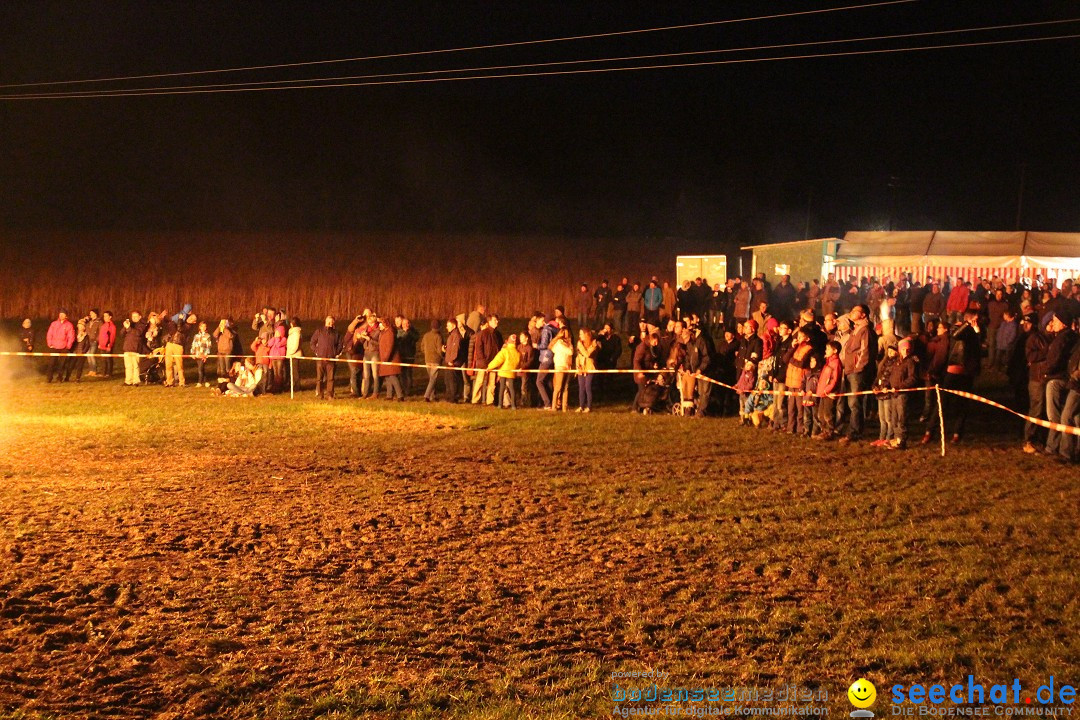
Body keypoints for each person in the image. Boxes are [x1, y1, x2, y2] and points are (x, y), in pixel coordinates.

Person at [1043, 312, 1078, 459]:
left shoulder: (1065, 338)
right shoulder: (1071, 339)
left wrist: (1046, 372)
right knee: (1075, 417)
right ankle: (1068, 450)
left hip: (1074, 384)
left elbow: (1057, 358)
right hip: (1072, 381)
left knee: (1064, 417)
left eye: (1055, 321)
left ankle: (1065, 452)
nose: (1053, 323)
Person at [838, 305, 874, 444]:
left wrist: (857, 368)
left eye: (855, 311)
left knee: (855, 402)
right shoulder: (856, 329)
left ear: (863, 315)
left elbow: (865, 351)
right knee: (852, 402)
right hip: (850, 369)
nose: (851, 313)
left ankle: (854, 432)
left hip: (856, 371)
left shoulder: (864, 330)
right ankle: (856, 429)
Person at [813, 341, 843, 440]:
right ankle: (823, 430)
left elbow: (834, 379)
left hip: (829, 393)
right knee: (820, 414)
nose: (826, 351)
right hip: (823, 392)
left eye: (828, 349)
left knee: (828, 414)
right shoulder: (828, 362)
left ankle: (829, 432)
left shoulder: (836, 363)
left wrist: (827, 390)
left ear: (835, 351)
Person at [471, 315, 502, 405]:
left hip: (493, 362)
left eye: (497, 320)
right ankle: (475, 400)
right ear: (489, 322)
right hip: (483, 363)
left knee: (492, 383)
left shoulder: (497, 334)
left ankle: (490, 401)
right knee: (480, 381)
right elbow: (479, 348)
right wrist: (483, 362)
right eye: (495, 320)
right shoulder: (482, 333)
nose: (497, 322)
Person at [310, 316, 342, 400]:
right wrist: (317, 351)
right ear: (325, 321)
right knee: (319, 378)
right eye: (329, 322)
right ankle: (320, 394)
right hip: (321, 358)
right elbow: (312, 342)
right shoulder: (319, 331)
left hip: (331, 359)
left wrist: (336, 352)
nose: (330, 324)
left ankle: (330, 395)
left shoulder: (336, 333)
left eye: (332, 322)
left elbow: (340, 344)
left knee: (330, 378)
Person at [487, 335, 521, 409]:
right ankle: (513, 405)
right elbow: (518, 363)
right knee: (512, 389)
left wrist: (489, 367)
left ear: (508, 341)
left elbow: (497, 360)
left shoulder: (505, 351)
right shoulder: (517, 353)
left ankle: (500, 405)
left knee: (502, 388)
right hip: (511, 372)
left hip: (503, 371)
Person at [45, 310, 75, 383]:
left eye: (63, 314)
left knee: (62, 364)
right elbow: (49, 334)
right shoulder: (54, 324)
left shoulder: (69, 325)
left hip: (64, 347)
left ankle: (59, 378)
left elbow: (71, 336)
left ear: (66, 316)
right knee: (51, 363)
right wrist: (50, 343)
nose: (61, 315)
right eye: (60, 314)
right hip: (54, 346)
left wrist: (68, 346)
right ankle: (49, 378)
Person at [378, 318, 404, 401]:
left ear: (385, 324)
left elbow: (389, 346)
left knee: (393, 376)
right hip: (385, 358)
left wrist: (386, 358)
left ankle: (400, 395)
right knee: (388, 377)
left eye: (381, 323)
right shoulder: (384, 332)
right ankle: (389, 395)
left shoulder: (390, 333)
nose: (379, 325)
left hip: (390, 359)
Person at [549, 327, 574, 411]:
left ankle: (564, 407)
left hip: (568, 366)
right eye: (564, 333)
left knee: (565, 387)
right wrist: (557, 338)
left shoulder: (569, 343)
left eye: (567, 332)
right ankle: (554, 406)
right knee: (558, 387)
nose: (566, 335)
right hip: (560, 366)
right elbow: (570, 352)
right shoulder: (559, 343)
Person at [575, 328, 599, 413]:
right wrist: (578, 365)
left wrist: (582, 346)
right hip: (581, 368)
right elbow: (580, 355)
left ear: (586, 335)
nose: (579, 336)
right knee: (581, 388)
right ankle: (581, 406)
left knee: (588, 387)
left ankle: (589, 406)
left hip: (590, 367)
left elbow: (587, 354)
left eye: (581, 334)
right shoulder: (580, 344)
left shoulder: (593, 344)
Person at [121, 311, 148, 386]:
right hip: (127, 347)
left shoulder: (142, 324)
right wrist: (125, 327)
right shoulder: (130, 324)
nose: (134, 318)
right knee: (128, 366)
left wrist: (129, 328)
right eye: (133, 316)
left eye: (136, 316)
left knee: (135, 366)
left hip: (135, 347)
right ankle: (128, 381)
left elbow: (138, 333)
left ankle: (136, 381)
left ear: (140, 317)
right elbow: (121, 334)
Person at [421, 319, 443, 402]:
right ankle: (427, 395)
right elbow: (439, 350)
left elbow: (422, 347)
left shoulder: (426, 335)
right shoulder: (438, 336)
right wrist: (442, 356)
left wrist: (426, 353)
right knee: (433, 379)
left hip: (427, 359)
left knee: (431, 378)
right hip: (435, 360)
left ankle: (432, 396)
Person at [442, 318, 463, 402]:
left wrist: (452, 360)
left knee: (452, 381)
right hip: (448, 361)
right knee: (447, 380)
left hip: (452, 363)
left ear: (453, 326)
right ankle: (449, 396)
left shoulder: (456, 336)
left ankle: (453, 398)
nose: (447, 327)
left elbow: (455, 349)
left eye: (448, 326)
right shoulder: (451, 335)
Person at [95, 311, 117, 378]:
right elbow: (101, 335)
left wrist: (109, 345)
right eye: (104, 316)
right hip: (102, 345)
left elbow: (112, 336)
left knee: (108, 359)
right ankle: (103, 372)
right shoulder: (103, 325)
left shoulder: (112, 326)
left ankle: (109, 373)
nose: (105, 317)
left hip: (107, 346)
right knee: (103, 360)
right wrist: (99, 343)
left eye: (106, 316)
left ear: (110, 317)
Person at [191, 321, 213, 387]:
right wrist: (192, 353)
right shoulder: (196, 336)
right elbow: (193, 344)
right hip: (197, 354)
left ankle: (199, 382)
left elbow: (209, 346)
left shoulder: (207, 336)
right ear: (199, 327)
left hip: (203, 354)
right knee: (202, 368)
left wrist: (206, 355)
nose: (203, 328)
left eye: (204, 326)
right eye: (202, 326)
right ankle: (206, 381)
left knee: (200, 369)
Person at [267, 324, 288, 392]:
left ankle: (280, 387)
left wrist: (278, 338)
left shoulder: (284, 339)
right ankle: (276, 386)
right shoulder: (275, 338)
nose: (276, 333)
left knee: (279, 373)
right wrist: (274, 338)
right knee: (275, 373)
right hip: (273, 357)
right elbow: (269, 344)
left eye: (277, 332)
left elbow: (278, 345)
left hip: (279, 357)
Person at [286, 317, 303, 390]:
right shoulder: (293, 332)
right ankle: (293, 385)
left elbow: (296, 344)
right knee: (292, 371)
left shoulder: (296, 333)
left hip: (294, 355)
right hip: (292, 354)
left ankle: (297, 386)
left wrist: (291, 352)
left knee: (295, 371)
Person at [84, 309, 103, 376]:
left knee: (91, 355)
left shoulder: (99, 322)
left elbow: (101, 332)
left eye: (91, 313)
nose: (90, 314)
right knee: (88, 355)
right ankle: (91, 370)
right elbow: (85, 328)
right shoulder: (89, 322)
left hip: (94, 341)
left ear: (95, 314)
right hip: (88, 341)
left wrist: (97, 339)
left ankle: (94, 370)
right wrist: (85, 321)